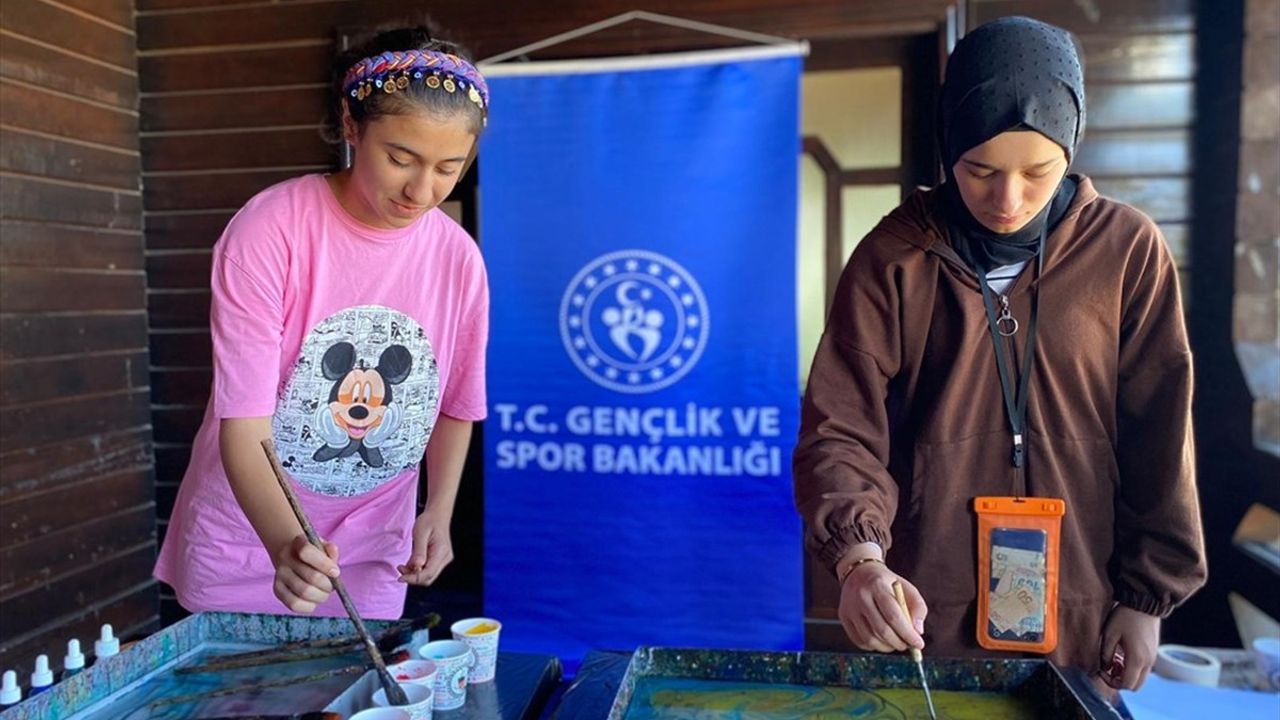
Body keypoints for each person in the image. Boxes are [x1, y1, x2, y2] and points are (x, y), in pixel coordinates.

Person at [793, 16, 1206, 694]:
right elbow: (840, 426)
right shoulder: (895, 257)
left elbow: (1161, 432)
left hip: (1081, 606)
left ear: (1072, 150)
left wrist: (1145, 598)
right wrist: (859, 559)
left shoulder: (1127, 252)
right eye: (980, 170)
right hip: (920, 607)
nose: (1007, 199)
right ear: (948, 146)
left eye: (1038, 172)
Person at [154, 24, 490, 619]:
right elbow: (245, 422)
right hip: (250, 539)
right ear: (353, 126)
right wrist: (287, 544)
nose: (422, 190)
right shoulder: (271, 229)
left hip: (374, 546)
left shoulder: (458, 257)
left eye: (448, 167)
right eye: (401, 158)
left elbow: (456, 402)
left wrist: (437, 509)